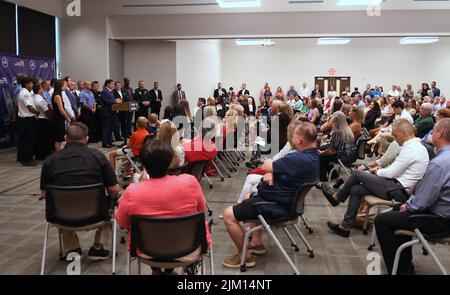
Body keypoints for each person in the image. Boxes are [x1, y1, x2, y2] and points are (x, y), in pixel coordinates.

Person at [222, 122, 320, 268]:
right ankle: (256, 243)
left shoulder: (296, 159)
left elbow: (267, 165)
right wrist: (272, 172)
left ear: (299, 140)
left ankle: (246, 257)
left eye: (294, 137)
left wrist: (270, 170)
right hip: (288, 204)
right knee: (249, 196)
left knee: (228, 215)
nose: (292, 140)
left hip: (278, 207)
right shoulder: (313, 158)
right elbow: (274, 169)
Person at [115, 140, 210, 275]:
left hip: (147, 251)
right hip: (188, 249)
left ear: (143, 164)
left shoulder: (132, 192)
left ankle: (158, 270)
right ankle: (169, 271)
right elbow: (200, 211)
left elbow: (122, 223)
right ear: (170, 161)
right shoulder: (190, 182)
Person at [322, 119, 429, 238]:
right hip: (398, 187)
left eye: (395, 135)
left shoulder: (411, 149)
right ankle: (345, 227)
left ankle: (337, 197)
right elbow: (394, 171)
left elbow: (390, 173)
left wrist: (376, 171)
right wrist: (378, 171)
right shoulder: (416, 147)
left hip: (397, 189)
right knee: (356, 189)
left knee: (357, 174)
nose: (394, 138)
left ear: (404, 133)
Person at [375, 118, 450, 275]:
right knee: (397, 210)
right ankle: (404, 264)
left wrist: (409, 206)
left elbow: (424, 198)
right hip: (442, 213)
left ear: (440, 133)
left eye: (433, 131)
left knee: (382, 220)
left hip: (439, 220)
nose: (430, 134)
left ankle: (401, 271)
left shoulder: (440, 163)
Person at [40, 123, 120, 259]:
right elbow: (114, 189)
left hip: (61, 217)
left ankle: (73, 249)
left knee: (59, 204)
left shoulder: (50, 160)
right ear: (87, 139)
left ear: (66, 138)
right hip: (96, 215)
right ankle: (98, 247)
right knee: (112, 205)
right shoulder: (98, 157)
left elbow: (44, 194)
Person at [318, 112, 356, 183]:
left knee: (320, 158)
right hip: (350, 155)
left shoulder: (337, 132)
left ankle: (322, 181)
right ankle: (337, 179)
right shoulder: (348, 129)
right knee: (326, 159)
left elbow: (331, 151)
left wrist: (321, 153)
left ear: (335, 121)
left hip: (342, 156)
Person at [16, 77, 39, 166]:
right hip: (27, 120)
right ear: (26, 84)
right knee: (29, 141)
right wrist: (37, 112)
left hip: (25, 120)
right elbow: (29, 107)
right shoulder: (25, 93)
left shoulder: (24, 92)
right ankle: (27, 160)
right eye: (31, 83)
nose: (32, 85)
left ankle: (24, 158)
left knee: (26, 140)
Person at [33, 82, 53, 160]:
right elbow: (47, 111)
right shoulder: (40, 100)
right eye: (41, 88)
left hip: (38, 120)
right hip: (43, 120)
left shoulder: (33, 98)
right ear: (39, 90)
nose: (42, 90)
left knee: (39, 139)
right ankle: (43, 155)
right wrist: (52, 118)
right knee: (44, 139)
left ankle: (40, 154)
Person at [101, 79, 121, 148]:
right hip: (106, 113)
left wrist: (117, 102)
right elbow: (106, 101)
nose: (112, 85)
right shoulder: (104, 91)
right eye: (111, 84)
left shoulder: (110, 91)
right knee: (106, 128)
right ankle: (105, 143)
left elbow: (112, 101)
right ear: (107, 84)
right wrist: (115, 100)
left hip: (112, 112)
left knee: (110, 128)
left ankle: (109, 142)